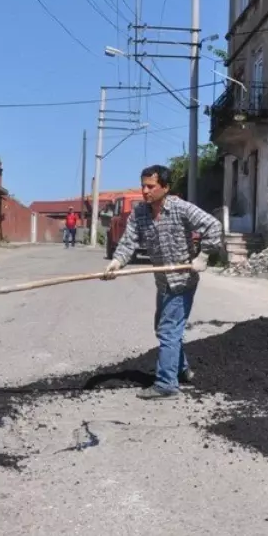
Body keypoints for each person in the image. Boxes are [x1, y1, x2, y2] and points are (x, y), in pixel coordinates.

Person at [102, 165, 222, 400]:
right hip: (163, 281)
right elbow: (128, 242)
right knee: (165, 328)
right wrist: (117, 262)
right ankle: (181, 370)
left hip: (183, 280)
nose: (145, 191)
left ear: (165, 188)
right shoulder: (140, 214)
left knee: (168, 330)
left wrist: (204, 255)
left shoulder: (180, 208)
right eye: (143, 186)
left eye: (150, 186)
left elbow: (213, 226)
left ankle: (167, 383)